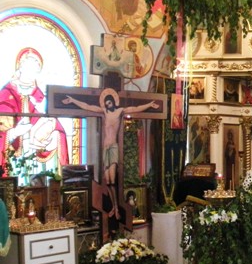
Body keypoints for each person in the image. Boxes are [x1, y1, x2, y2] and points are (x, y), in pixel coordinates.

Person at [62, 88, 159, 220]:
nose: (108, 105)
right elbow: (88, 106)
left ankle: (117, 207)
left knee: (113, 178)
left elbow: (135, 108)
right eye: (106, 103)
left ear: (114, 102)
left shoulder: (119, 111)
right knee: (107, 180)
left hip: (113, 147)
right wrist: (73, 100)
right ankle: (114, 207)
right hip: (105, 148)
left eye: (109, 102)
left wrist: (149, 105)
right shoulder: (104, 112)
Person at [0, 47, 69, 171]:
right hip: (14, 158)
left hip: (35, 157)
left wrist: (52, 138)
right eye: (29, 67)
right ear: (20, 67)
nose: (32, 72)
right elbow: (2, 132)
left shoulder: (39, 97)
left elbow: (56, 126)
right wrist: (15, 132)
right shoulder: (7, 93)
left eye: (36, 69)